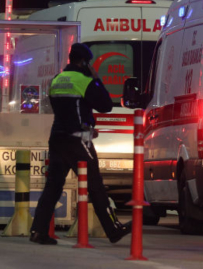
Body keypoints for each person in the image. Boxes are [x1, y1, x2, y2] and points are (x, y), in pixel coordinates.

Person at [30, 43, 131, 245]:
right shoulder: (84, 81)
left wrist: (84, 121)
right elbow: (105, 106)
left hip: (57, 139)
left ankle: (38, 231)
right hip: (78, 141)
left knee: (53, 187)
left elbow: (66, 109)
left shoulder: (57, 80)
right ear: (84, 62)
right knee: (96, 186)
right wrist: (96, 79)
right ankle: (113, 229)